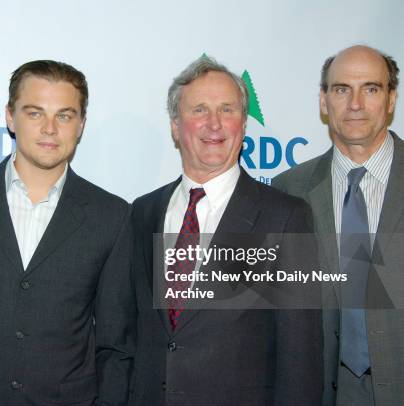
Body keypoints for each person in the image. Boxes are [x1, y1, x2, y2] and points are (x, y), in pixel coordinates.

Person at [0, 60, 134, 405]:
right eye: (35, 113)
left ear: (80, 125)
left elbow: (116, 342)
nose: (50, 128)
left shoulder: (112, 215)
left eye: (64, 115)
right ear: (10, 116)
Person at [129, 55, 322, 405]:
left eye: (227, 110)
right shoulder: (143, 212)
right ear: (175, 126)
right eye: (199, 109)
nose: (214, 124)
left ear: (244, 125)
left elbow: (301, 359)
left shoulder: (286, 218)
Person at [273, 45, 403, 406]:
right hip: (322, 390)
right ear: (323, 100)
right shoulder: (289, 189)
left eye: (371, 89)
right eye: (342, 89)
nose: (356, 103)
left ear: (391, 99)